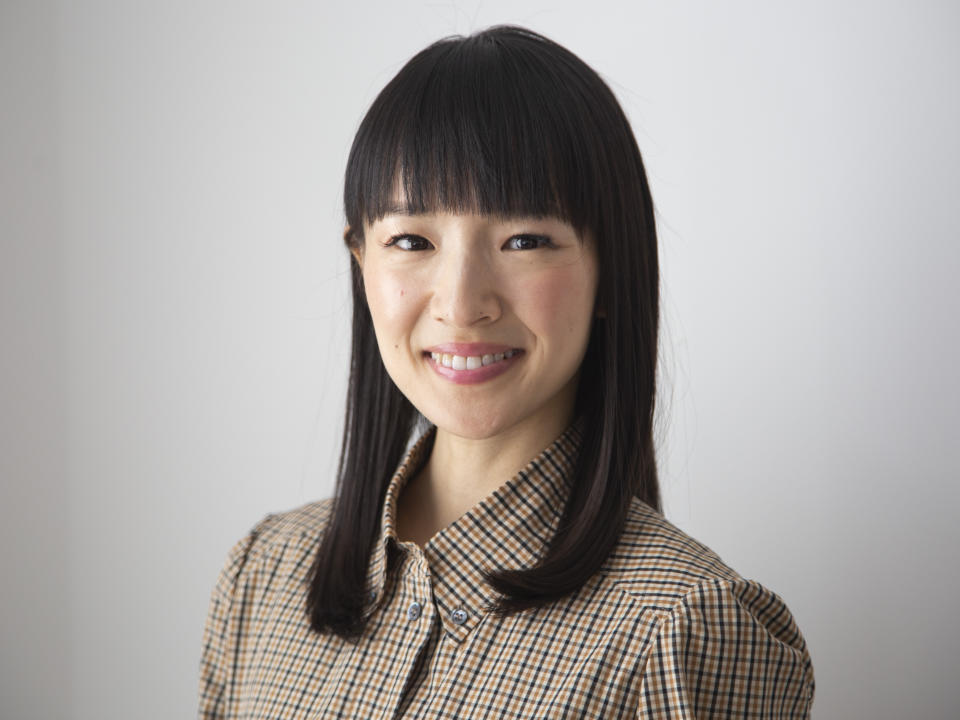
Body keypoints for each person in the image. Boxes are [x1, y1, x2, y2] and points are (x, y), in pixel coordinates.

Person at [198, 25, 815, 719]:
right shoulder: (264, 575)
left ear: (612, 270)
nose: (462, 304)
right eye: (411, 240)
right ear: (361, 264)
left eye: (524, 240)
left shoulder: (685, 630)